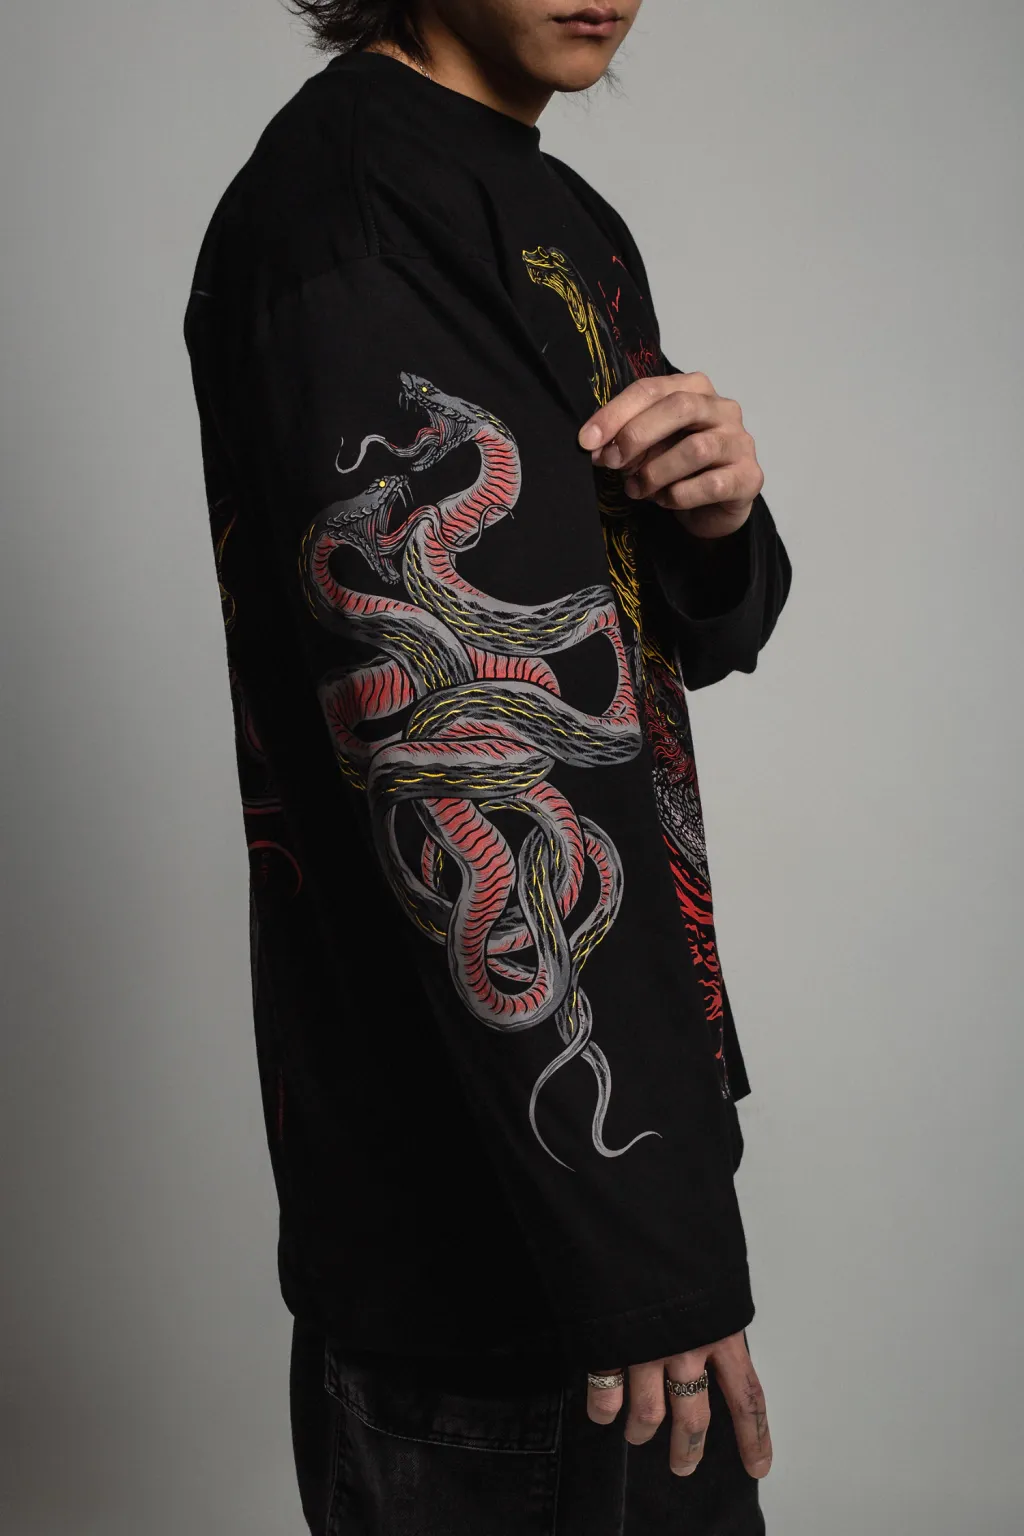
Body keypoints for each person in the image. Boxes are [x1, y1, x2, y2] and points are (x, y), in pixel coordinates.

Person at [183, 2, 792, 1530]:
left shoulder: (556, 208)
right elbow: (454, 755)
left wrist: (717, 521)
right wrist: (645, 1256)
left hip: (611, 1190)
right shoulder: (352, 216)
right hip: (498, 1242)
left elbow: (677, 634)